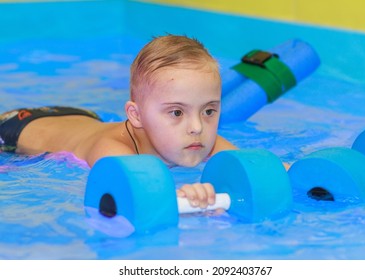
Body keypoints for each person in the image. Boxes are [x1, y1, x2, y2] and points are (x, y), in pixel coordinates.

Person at [0, 34, 237, 210]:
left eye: (208, 111)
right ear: (136, 115)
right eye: (176, 113)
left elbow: (249, 167)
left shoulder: (200, 138)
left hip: (84, 118)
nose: (197, 127)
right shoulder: (112, 149)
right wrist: (190, 197)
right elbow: (141, 196)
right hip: (16, 129)